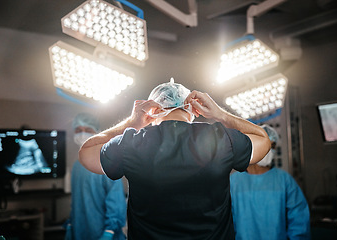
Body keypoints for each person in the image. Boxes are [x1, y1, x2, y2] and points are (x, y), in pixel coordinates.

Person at [78, 79, 271, 239]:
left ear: (152, 111)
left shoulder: (132, 143)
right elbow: (263, 139)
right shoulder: (220, 139)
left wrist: (131, 123)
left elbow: (86, 152)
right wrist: (220, 114)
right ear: (193, 109)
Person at [230, 124, 311, 240]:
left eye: (272, 146)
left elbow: (299, 222)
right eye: (265, 144)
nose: (269, 150)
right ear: (252, 145)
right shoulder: (233, 183)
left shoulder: (284, 181)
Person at [66, 113, 126, 240]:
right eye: (78, 130)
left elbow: (115, 203)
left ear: (98, 133)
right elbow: (77, 202)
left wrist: (109, 232)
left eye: (88, 130)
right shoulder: (77, 166)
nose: (82, 134)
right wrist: (71, 224)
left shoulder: (107, 164)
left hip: (104, 233)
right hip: (80, 231)